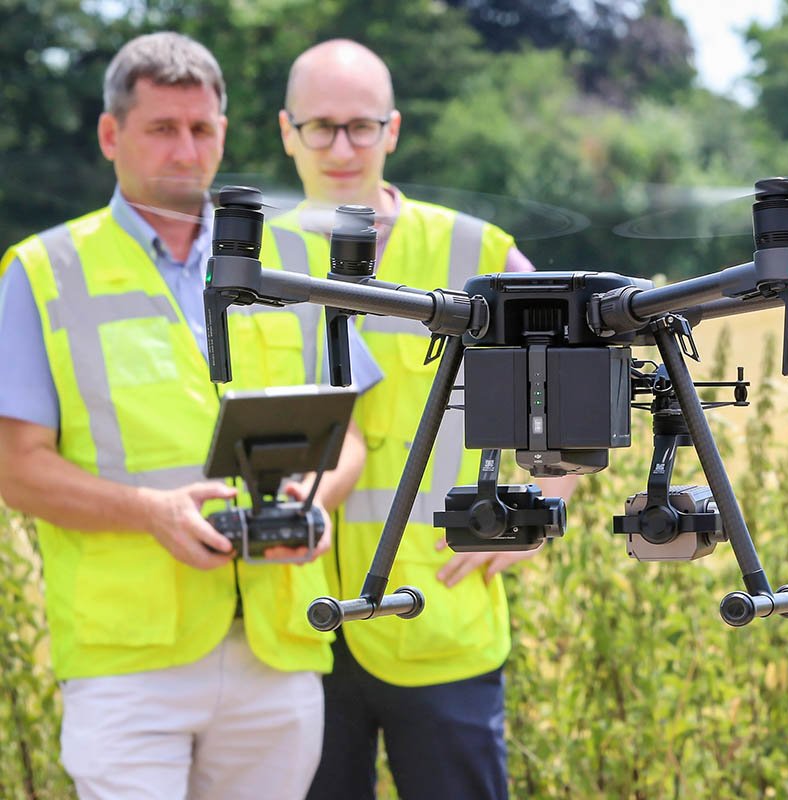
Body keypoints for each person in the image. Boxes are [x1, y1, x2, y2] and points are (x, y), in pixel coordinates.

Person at [0, 32, 379, 800]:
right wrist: (150, 512)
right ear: (112, 135)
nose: (186, 149)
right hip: (128, 663)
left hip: (277, 648)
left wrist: (315, 500)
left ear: (224, 136)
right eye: (162, 129)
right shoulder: (42, 272)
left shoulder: (295, 261)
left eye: (201, 129)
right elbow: (17, 466)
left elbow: (351, 437)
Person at [275, 39, 573, 800]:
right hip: (290, 629)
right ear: (287, 131)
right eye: (320, 127)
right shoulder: (253, 261)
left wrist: (543, 508)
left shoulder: (473, 248)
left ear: (393, 129)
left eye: (361, 126)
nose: (341, 147)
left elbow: (575, 370)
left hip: (436, 615)